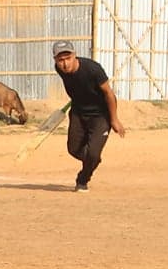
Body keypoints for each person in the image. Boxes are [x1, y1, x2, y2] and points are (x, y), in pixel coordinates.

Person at [51, 40, 125, 192]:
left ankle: (83, 179)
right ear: (55, 61)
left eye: (68, 58)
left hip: (100, 116)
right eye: (61, 60)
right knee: (73, 149)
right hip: (78, 112)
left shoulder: (93, 69)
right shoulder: (59, 70)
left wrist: (114, 119)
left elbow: (109, 94)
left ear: (75, 55)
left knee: (92, 153)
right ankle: (93, 159)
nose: (65, 64)